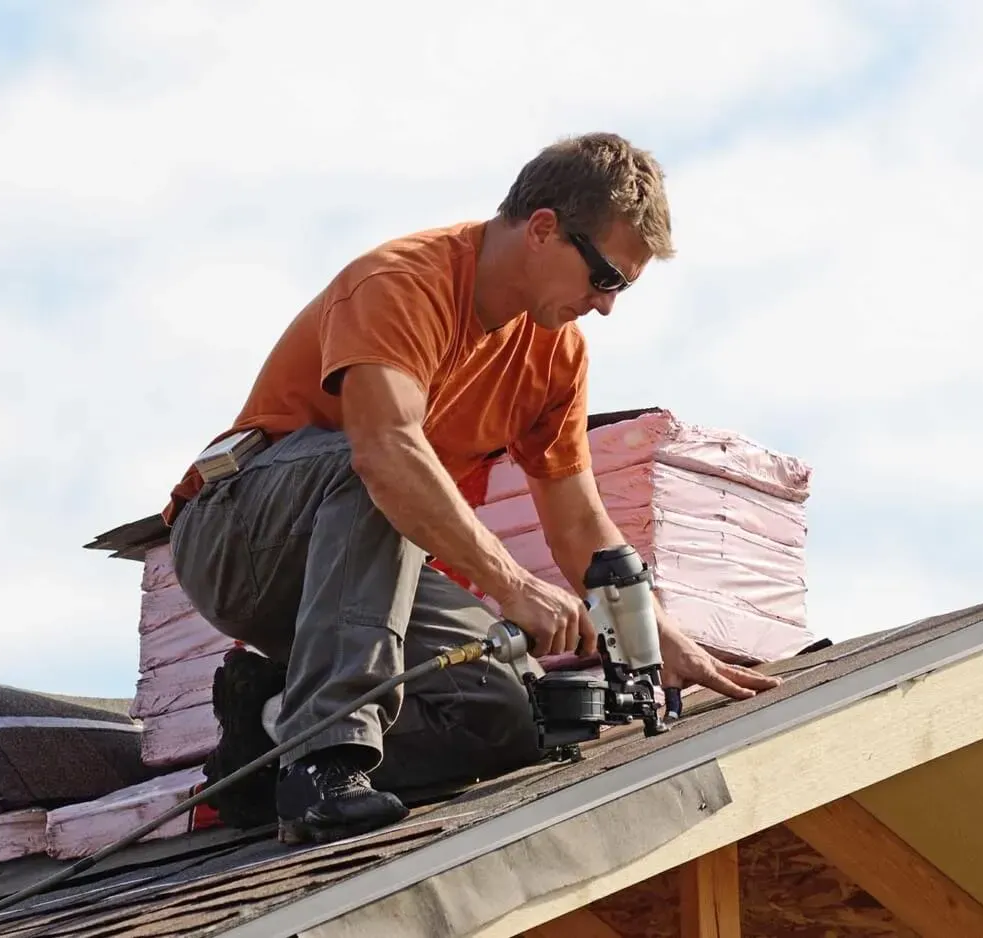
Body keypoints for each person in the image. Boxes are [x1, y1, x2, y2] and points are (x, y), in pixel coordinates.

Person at [161, 132, 781, 846]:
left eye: (623, 288)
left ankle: (264, 739)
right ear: (544, 229)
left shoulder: (556, 352)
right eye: (606, 277)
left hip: (358, 567)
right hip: (236, 538)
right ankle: (323, 768)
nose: (607, 305)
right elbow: (386, 454)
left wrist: (663, 641)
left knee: (502, 713)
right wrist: (513, 587)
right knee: (383, 468)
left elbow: (579, 523)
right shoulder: (400, 282)